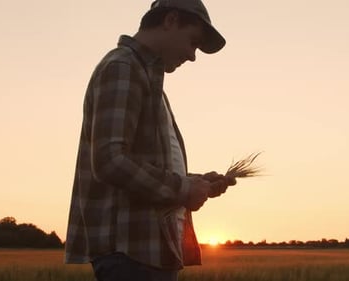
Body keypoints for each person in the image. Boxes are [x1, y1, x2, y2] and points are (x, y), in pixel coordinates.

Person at [64, 0, 235, 280]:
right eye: (193, 42)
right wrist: (183, 189)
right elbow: (110, 161)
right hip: (131, 254)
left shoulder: (146, 78)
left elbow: (140, 164)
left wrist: (197, 183)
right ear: (170, 20)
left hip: (148, 251)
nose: (192, 56)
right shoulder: (123, 67)